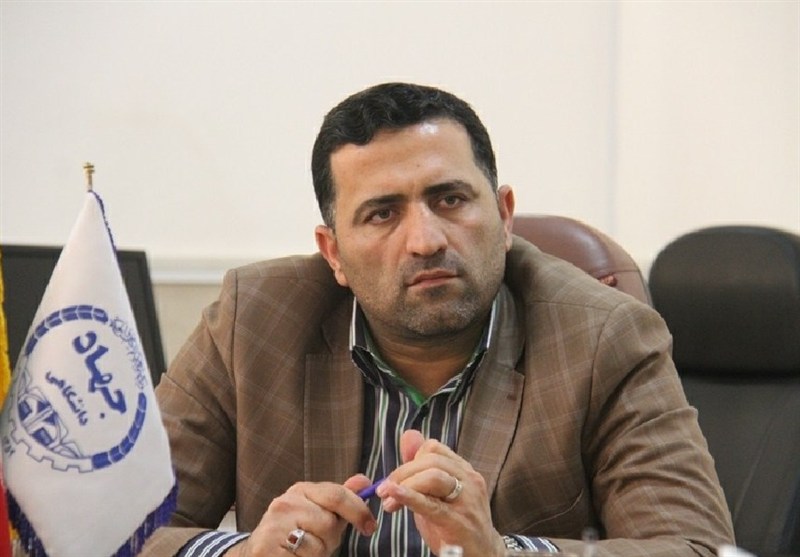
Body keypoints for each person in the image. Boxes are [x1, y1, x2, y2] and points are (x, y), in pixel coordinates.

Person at [144, 82, 734, 557]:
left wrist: (501, 553)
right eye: (382, 214)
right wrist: (243, 553)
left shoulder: (605, 337)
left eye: (450, 199)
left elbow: (695, 547)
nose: (425, 240)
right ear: (333, 253)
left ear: (504, 215)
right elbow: (115, 530)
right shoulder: (254, 320)